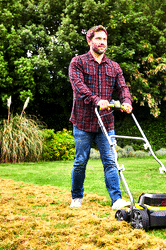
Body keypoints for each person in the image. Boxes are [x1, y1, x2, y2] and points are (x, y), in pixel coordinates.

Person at [68, 25, 132, 209]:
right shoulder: (77, 63)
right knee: (80, 161)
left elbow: (122, 88)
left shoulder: (114, 66)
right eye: (98, 39)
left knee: (111, 161)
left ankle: (116, 199)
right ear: (89, 41)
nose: (102, 42)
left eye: (104, 39)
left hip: (106, 121)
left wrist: (126, 102)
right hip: (82, 122)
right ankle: (76, 197)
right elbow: (79, 87)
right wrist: (97, 100)